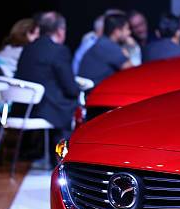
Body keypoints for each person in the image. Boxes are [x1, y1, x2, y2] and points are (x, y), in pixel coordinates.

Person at [15, 11, 80, 167]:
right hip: (46, 109)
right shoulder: (59, 50)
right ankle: (63, 161)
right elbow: (70, 88)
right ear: (60, 31)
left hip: (23, 108)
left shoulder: (28, 48)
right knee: (73, 102)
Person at [78, 14, 134, 85]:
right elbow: (132, 72)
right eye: (127, 29)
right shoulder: (108, 46)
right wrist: (132, 48)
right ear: (117, 31)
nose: (129, 32)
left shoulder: (102, 43)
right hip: (96, 92)